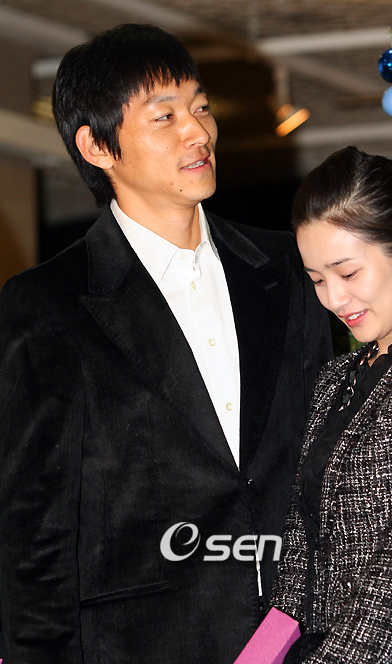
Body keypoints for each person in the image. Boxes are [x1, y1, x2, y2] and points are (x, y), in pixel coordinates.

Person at [0, 23, 332, 664]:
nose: (198, 132)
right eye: (165, 116)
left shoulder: (290, 268)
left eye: (200, 107)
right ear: (98, 146)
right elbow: (33, 532)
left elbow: (322, 462)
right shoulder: (46, 304)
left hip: (301, 639)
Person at [270, 144, 392, 662]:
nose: (334, 299)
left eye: (348, 272)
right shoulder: (337, 379)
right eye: (317, 280)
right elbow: (300, 553)